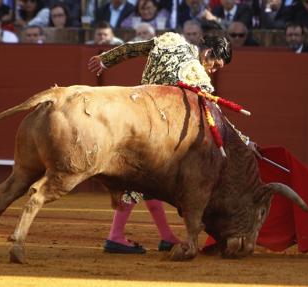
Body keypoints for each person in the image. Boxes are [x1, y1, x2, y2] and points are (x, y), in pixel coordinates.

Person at [88, 32, 234, 253]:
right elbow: (213, 112)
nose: (213, 71)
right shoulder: (196, 73)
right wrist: (241, 140)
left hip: (136, 114)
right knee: (139, 181)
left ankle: (165, 236)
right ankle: (116, 236)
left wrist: (106, 60)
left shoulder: (172, 40)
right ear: (208, 53)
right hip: (156, 131)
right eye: (216, 65)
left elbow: (134, 47)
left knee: (148, 184)